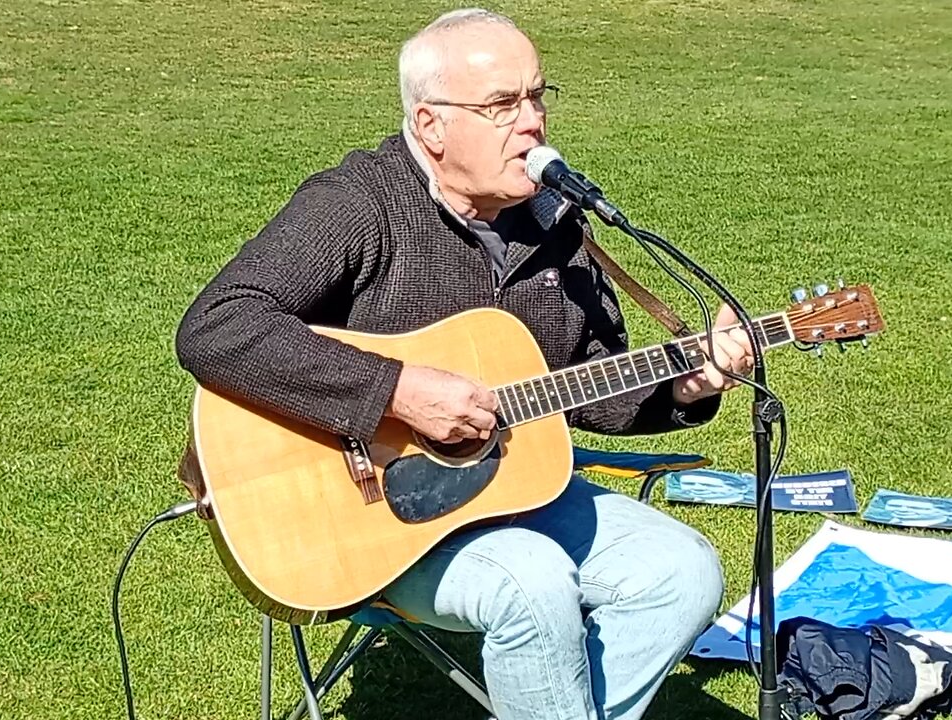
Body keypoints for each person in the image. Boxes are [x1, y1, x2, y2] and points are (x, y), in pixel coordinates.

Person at [176, 9, 756, 720]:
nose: (533, 122)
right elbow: (216, 325)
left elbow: (590, 385)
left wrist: (687, 385)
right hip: (368, 522)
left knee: (682, 571)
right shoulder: (358, 204)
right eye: (502, 104)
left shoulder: (556, 223)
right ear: (431, 126)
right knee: (532, 581)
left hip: (514, 495)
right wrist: (396, 391)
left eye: (537, 96)